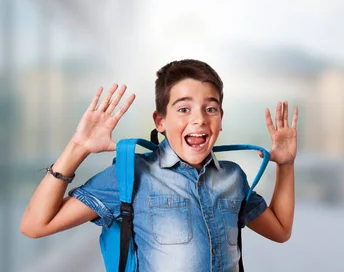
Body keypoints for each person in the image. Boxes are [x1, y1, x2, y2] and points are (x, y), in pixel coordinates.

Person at [20, 59, 298, 271]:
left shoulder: (233, 178)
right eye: (184, 109)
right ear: (160, 121)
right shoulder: (132, 174)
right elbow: (35, 226)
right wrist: (77, 149)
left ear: (221, 119)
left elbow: (281, 231)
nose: (200, 119)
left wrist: (285, 165)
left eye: (210, 108)